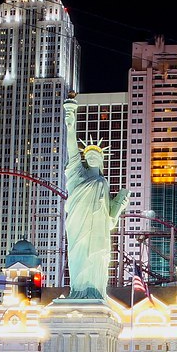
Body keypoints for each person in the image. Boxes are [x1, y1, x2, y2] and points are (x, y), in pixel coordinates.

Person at [62, 93, 129, 299]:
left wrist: (119, 207)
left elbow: (109, 220)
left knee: (98, 258)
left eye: (96, 156)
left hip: (99, 232)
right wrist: (70, 122)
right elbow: (72, 150)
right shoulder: (78, 174)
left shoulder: (103, 182)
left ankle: (95, 291)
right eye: (88, 155)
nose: (91, 157)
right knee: (79, 258)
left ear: (101, 161)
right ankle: (78, 291)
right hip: (79, 226)